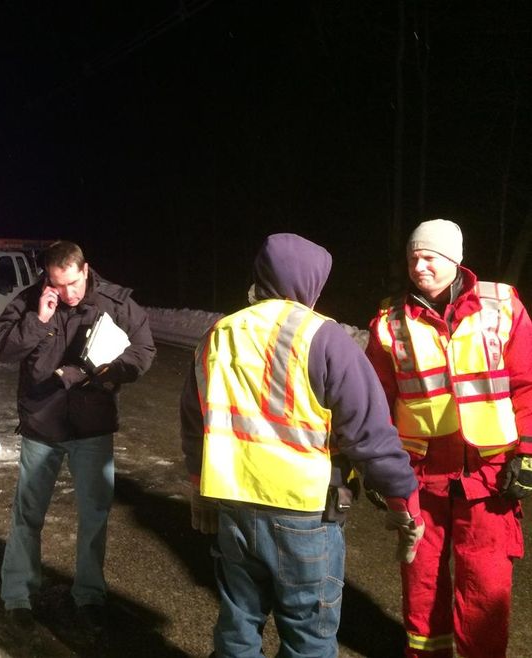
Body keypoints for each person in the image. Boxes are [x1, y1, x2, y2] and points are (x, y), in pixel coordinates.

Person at [180, 233, 421, 658]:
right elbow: (368, 430)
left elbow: (195, 417)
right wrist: (402, 493)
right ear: (309, 282)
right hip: (304, 513)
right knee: (308, 634)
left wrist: (198, 480)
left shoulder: (219, 333)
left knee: (238, 622)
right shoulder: (323, 338)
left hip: (233, 505)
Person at [365, 219, 532, 658]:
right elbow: (376, 400)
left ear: (454, 259)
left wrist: (529, 453)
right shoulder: (389, 320)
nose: (419, 266)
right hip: (420, 476)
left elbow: (527, 384)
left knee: (486, 588)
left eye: (430, 257)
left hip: (489, 476)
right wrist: (376, 464)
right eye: (413, 257)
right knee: (421, 586)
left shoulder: (503, 305)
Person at [0, 240, 156, 634]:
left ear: (86, 270)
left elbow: (144, 351)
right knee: (27, 516)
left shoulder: (116, 303)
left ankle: (89, 596)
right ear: (48, 278)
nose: (67, 293)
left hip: (92, 429)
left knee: (94, 517)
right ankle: (17, 595)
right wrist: (39, 319)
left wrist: (103, 372)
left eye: (73, 283)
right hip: (41, 427)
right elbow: (2, 348)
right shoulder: (32, 300)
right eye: (57, 284)